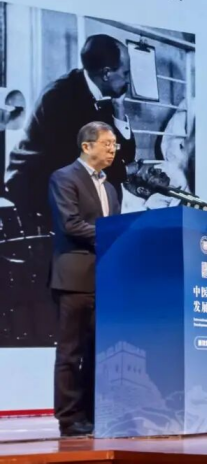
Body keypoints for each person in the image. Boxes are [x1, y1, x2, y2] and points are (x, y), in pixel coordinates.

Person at [5, 34, 136, 228]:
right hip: (34, 193)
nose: (128, 80)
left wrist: (119, 108)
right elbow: (79, 165)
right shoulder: (60, 97)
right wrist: (126, 171)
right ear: (107, 74)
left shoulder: (103, 94)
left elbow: (127, 155)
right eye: (125, 73)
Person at [48, 122, 122, 437]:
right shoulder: (64, 177)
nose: (113, 149)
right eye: (107, 143)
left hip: (103, 279)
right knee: (71, 352)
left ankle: (94, 414)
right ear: (87, 146)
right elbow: (70, 224)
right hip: (74, 277)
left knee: (98, 352)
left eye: (115, 143)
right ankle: (69, 418)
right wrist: (113, 234)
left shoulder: (110, 188)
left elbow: (115, 228)